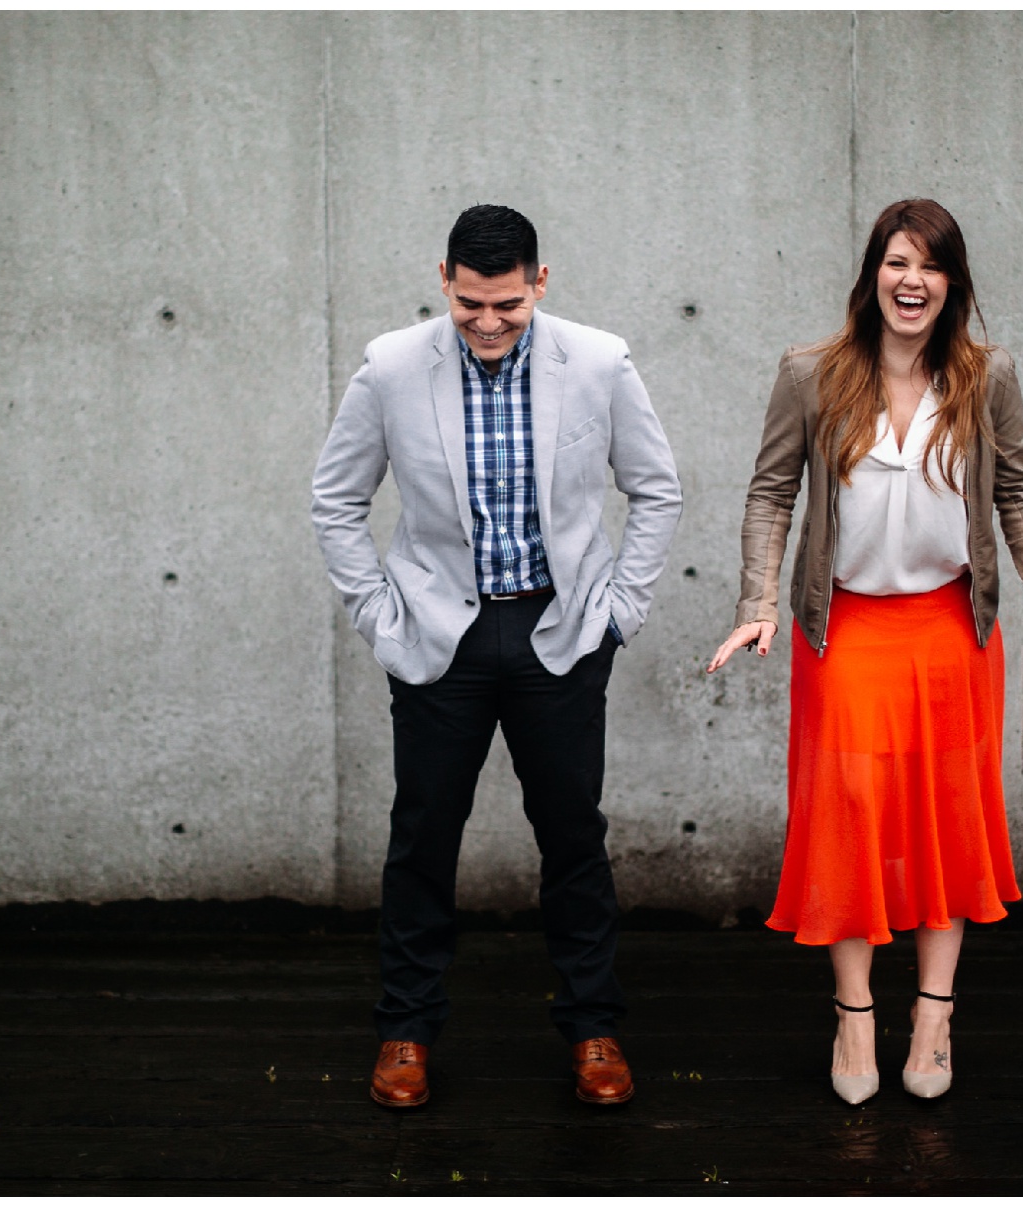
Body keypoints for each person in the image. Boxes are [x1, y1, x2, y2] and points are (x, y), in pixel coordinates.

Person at [707, 199, 1023, 1105]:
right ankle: (854, 1015)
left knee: (945, 823)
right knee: (849, 818)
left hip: (949, 632)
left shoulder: (985, 374)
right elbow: (771, 492)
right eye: (895, 262)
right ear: (872, 275)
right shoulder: (811, 373)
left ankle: (932, 1014)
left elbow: (1022, 493)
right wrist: (758, 599)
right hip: (843, 629)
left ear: (952, 282)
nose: (910, 280)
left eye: (928, 265)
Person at [313, 205, 682, 1108]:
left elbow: (656, 487)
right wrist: (379, 616)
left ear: (540, 284)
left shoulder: (597, 362)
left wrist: (618, 613)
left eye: (507, 306)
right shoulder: (392, 366)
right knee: (422, 840)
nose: (486, 323)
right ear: (445, 278)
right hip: (441, 641)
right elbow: (335, 500)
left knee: (573, 840)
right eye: (470, 303)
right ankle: (405, 1031)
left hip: (561, 636)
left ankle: (594, 1027)